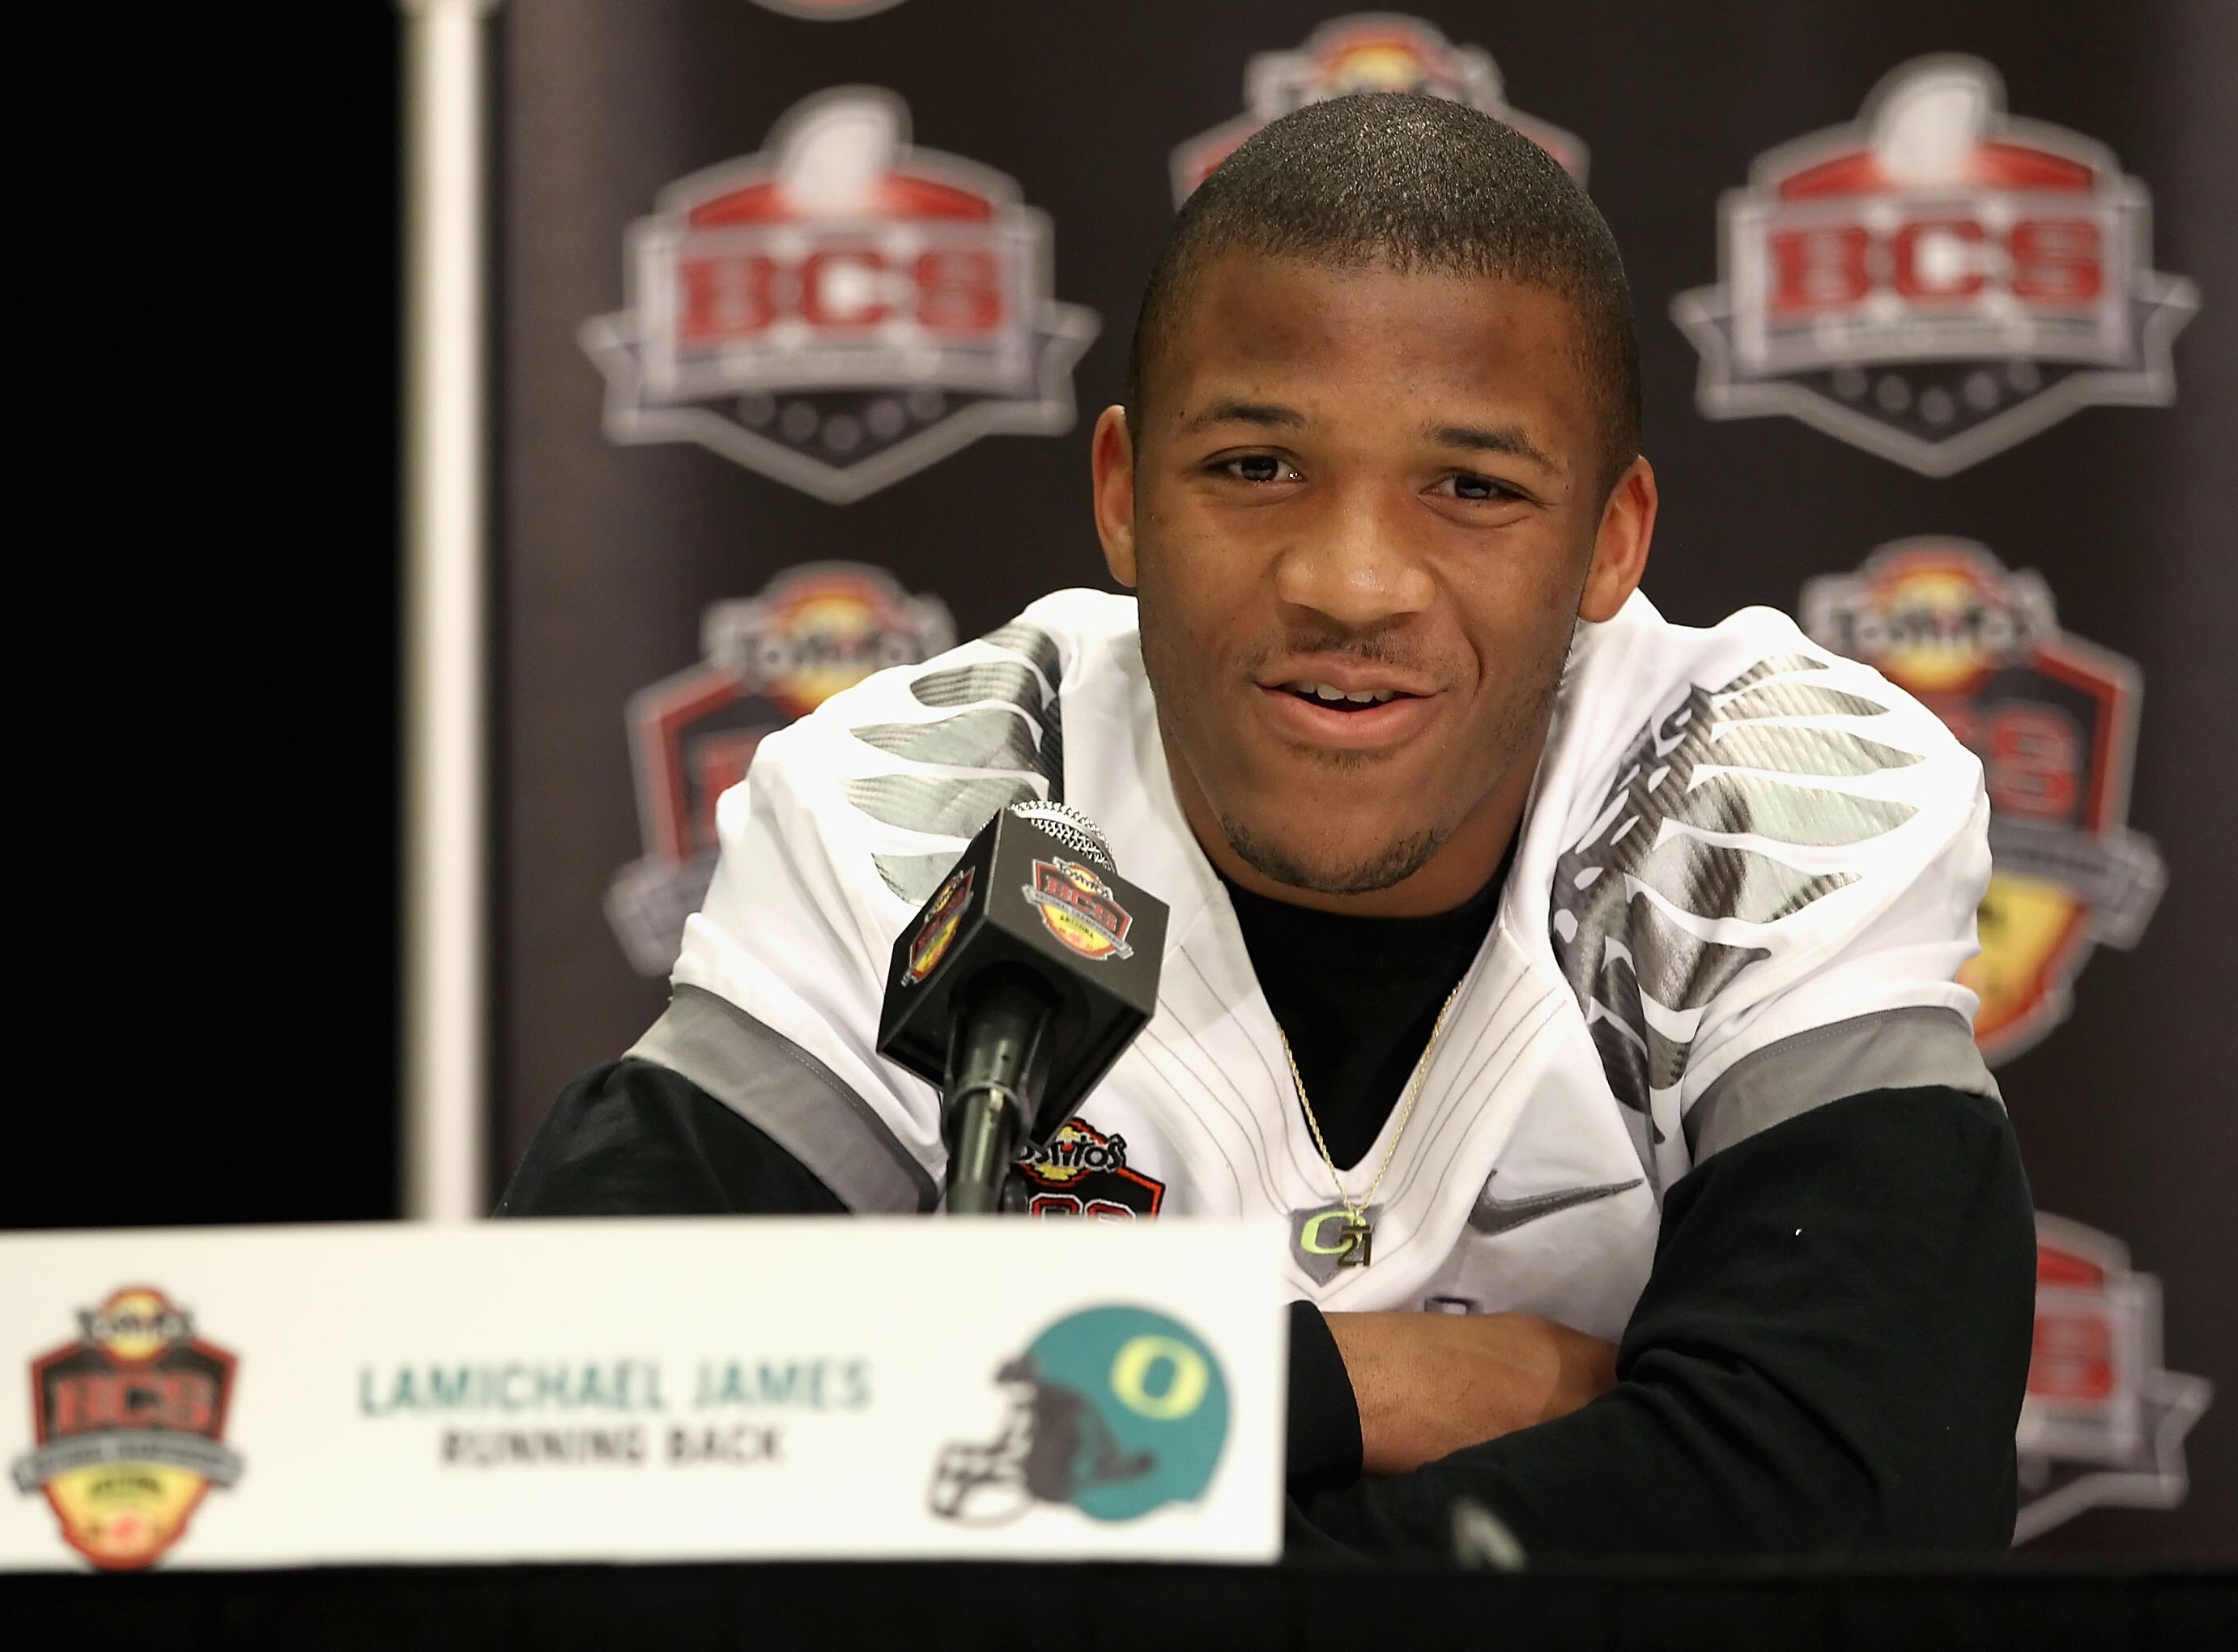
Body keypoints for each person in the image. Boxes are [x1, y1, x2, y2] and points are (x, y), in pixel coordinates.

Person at [500, 92, 2035, 1559]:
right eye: (1255, 468)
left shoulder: (1769, 793)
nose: (1351, 583)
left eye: (1473, 486)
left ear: (1609, 539)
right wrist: (1357, 1385)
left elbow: (1860, 1495)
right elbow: (594, 1413)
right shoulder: (923, 798)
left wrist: (1061, 1538)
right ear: (1122, 496)